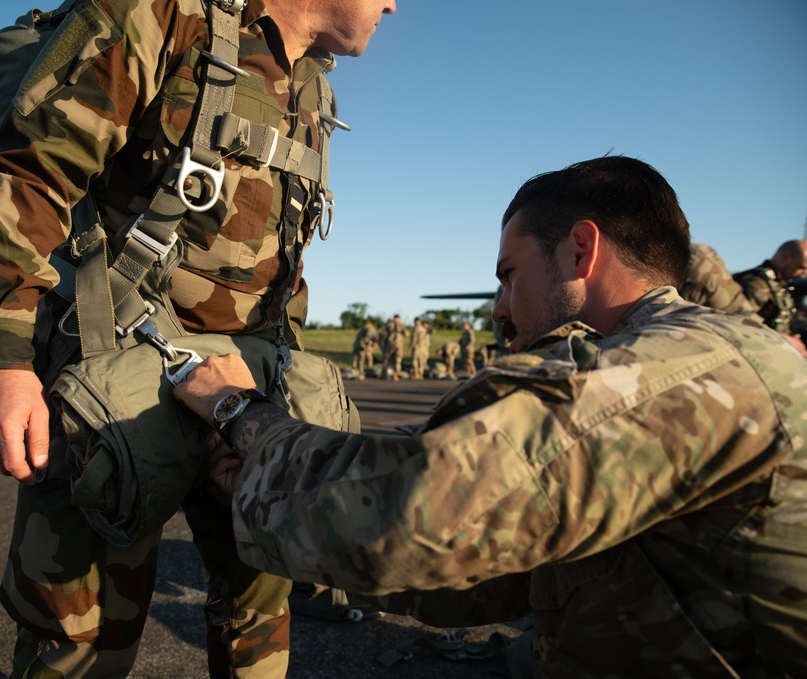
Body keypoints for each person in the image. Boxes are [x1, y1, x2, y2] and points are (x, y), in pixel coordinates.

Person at [174, 156, 807, 677]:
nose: (500, 310)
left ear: (580, 251)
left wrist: (239, 411)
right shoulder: (673, 355)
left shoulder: (681, 369)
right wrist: (274, 482)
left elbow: (409, 520)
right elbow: (500, 571)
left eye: (509, 276)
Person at [0, 0, 396, 677]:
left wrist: (280, 393)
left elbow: (284, 260)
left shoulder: (311, 86)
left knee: (258, 621)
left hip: (243, 396)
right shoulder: (162, 13)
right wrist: (4, 364)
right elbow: (31, 173)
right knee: (83, 640)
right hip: (114, 383)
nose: (393, 5)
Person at [733, 240, 807, 357]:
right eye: (801, 268)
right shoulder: (756, 284)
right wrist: (781, 338)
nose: (802, 274)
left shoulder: (779, 285)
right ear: (786, 257)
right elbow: (737, 323)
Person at [679, 242, 759, 316]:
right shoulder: (698, 250)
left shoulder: (698, 264)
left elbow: (679, 313)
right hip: (737, 316)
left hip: (738, 321)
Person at [380, 314, 406, 380]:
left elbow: (383, 335)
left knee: (386, 359)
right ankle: (396, 374)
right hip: (398, 345)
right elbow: (406, 333)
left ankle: (383, 374)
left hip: (389, 345)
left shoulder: (389, 325)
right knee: (397, 360)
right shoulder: (401, 325)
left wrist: (382, 346)